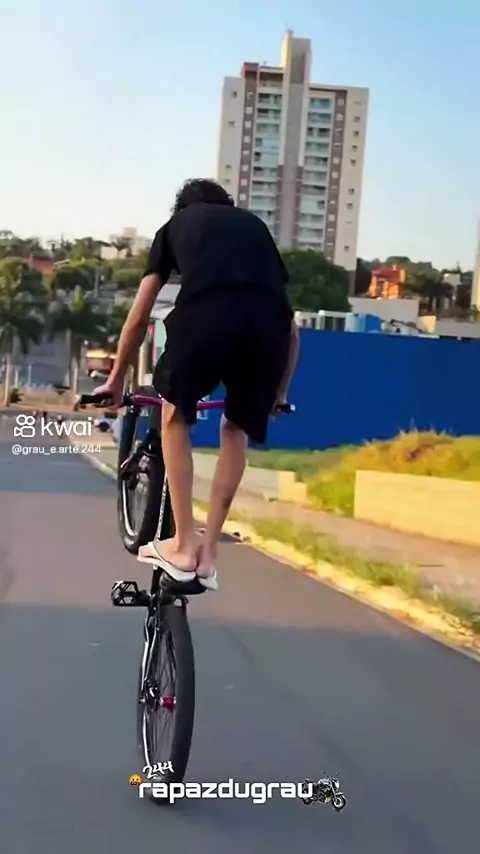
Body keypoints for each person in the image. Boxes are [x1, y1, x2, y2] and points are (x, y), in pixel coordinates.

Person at [93, 178, 299, 591]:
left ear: (183, 208)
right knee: (235, 430)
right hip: (270, 332)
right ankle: (209, 556)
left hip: (207, 319)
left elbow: (140, 315)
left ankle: (184, 544)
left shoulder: (176, 226)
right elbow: (292, 331)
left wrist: (114, 381)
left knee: (174, 415)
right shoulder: (256, 229)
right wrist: (278, 395)